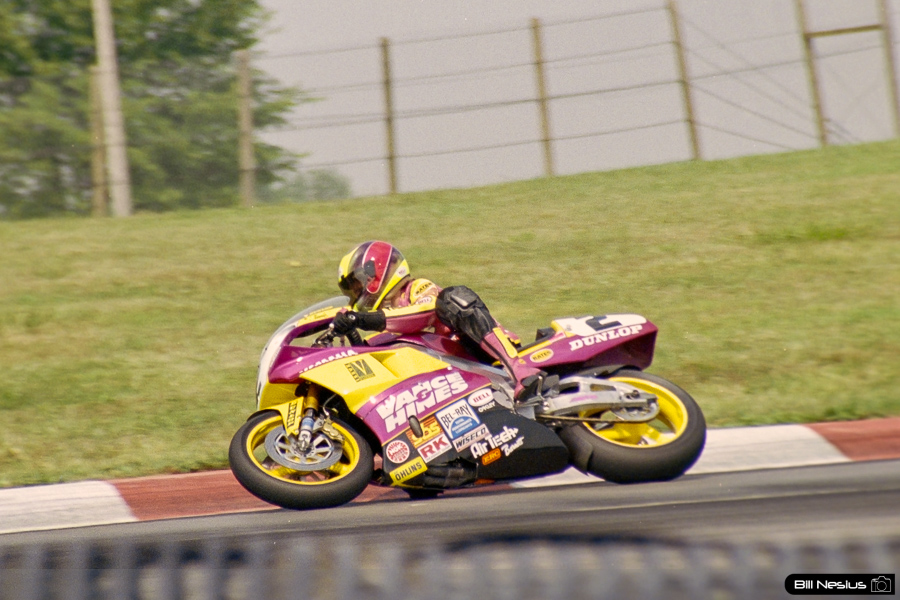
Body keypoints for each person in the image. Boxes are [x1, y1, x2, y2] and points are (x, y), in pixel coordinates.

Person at [332, 240, 556, 402]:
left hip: (480, 354)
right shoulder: (385, 323)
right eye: (352, 290)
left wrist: (360, 318)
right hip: (453, 377)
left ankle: (521, 372)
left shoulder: (417, 288)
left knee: (453, 299)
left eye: (358, 284)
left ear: (376, 272)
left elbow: (422, 314)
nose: (357, 293)